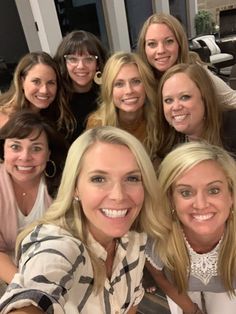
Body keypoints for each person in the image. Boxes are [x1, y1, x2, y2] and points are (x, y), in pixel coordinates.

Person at [0, 126, 160, 314]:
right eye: (99, 179)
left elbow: (130, 305)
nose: (118, 195)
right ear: (75, 187)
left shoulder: (135, 239)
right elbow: (36, 291)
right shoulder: (58, 245)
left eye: (132, 178)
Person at [145, 141, 236, 314]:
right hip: (181, 288)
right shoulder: (158, 236)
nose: (201, 205)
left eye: (214, 190)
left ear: (231, 195)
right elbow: (158, 275)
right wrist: (191, 309)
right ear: (171, 198)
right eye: (186, 192)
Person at [0, 110, 67, 295]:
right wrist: (29, 288)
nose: (25, 157)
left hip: (51, 273)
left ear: (48, 154)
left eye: (36, 148)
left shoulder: (62, 186)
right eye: (15, 147)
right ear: (3, 150)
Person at [137, 12, 236, 108]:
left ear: (179, 44)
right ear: (144, 48)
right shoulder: (138, 81)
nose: (161, 50)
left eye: (169, 41)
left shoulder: (197, 72)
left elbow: (233, 100)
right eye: (152, 44)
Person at [86, 51, 158, 164]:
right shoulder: (97, 124)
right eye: (119, 84)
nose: (129, 91)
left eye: (136, 81)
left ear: (146, 85)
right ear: (109, 90)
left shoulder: (158, 119)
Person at [155, 63, 236, 158]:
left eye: (185, 97)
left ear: (205, 98)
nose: (176, 107)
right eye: (168, 100)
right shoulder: (167, 147)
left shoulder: (232, 126)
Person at [0, 51, 74, 137]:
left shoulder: (57, 117)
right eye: (36, 81)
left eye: (50, 83)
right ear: (21, 81)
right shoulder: (5, 118)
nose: (44, 90)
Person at [54, 30, 108, 143]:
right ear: (64, 63)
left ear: (98, 64)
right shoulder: (55, 97)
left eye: (88, 59)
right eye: (73, 59)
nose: (81, 66)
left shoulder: (107, 94)